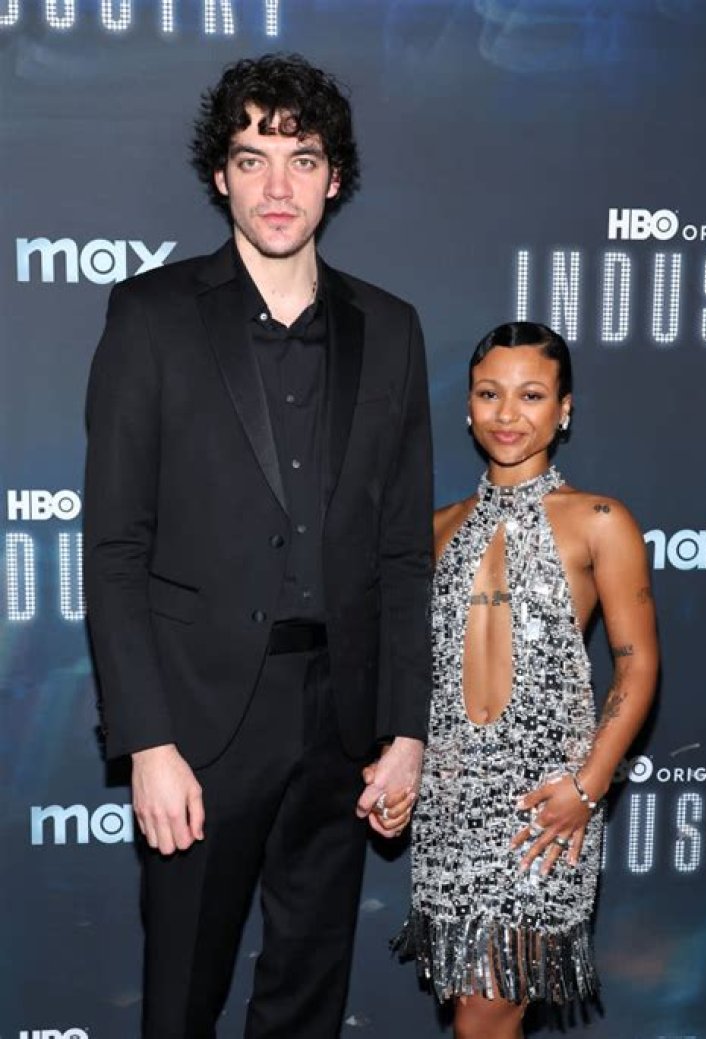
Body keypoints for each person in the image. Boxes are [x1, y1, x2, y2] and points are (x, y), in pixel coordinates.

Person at [84, 53, 432, 1038]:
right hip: (201, 725)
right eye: (253, 159)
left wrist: (406, 731)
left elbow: (405, 552)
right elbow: (114, 548)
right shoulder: (151, 316)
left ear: (335, 177)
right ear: (220, 175)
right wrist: (148, 741)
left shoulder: (392, 330)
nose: (278, 187)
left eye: (302, 158)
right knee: (181, 1001)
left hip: (344, 721)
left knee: (307, 1001)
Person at [394, 321, 658, 1038]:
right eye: (489, 394)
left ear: (564, 409)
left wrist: (587, 787)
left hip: (545, 807)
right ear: (468, 407)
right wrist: (400, 769)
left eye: (532, 395)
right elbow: (415, 670)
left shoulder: (600, 521)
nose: (507, 414)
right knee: (473, 1007)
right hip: (449, 802)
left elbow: (637, 663)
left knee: (488, 1006)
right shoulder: (437, 529)